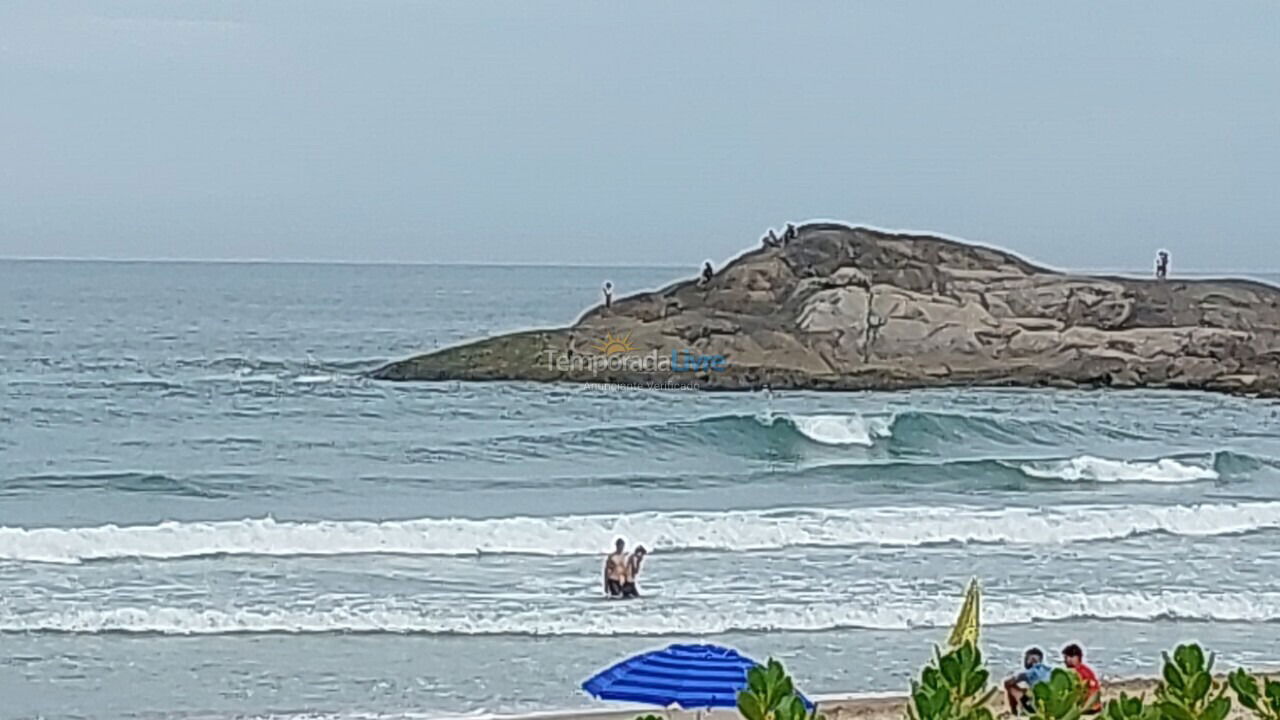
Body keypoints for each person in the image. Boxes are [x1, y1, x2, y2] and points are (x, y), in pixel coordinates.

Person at [1005, 647, 1052, 715]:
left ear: (1031, 659)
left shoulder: (1028, 672)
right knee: (1029, 690)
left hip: (1037, 706)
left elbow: (1008, 682)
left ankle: (1014, 712)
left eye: (1027, 658)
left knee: (1009, 685)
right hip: (1051, 704)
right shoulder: (1049, 670)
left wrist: (1012, 676)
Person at [1063, 644, 1102, 714]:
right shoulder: (1084, 670)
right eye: (1065, 657)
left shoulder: (1081, 672)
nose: (1066, 660)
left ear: (1077, 657)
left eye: (1069, 657)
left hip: (1087, 706)